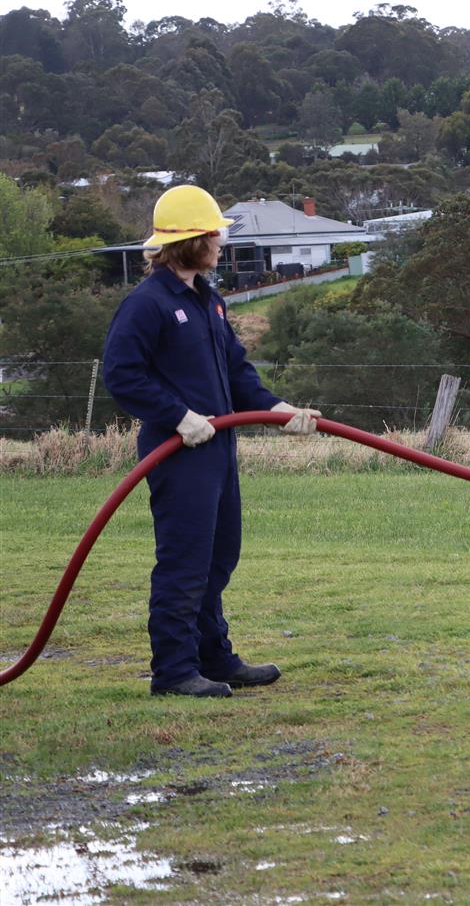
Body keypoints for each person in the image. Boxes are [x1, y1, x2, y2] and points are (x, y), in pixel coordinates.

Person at [102, 185, 322, 698]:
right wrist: (178, 417)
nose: (222, 243)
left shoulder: (208, 300)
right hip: (179, 454)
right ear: (192, 241)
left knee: (219, 557)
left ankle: (214, 658)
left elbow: (237, 372)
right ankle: (174, 672)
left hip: (219, 449)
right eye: (215, 235)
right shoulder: (147, 304)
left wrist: (277, 410)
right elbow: (122, 374)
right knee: (185, 562)